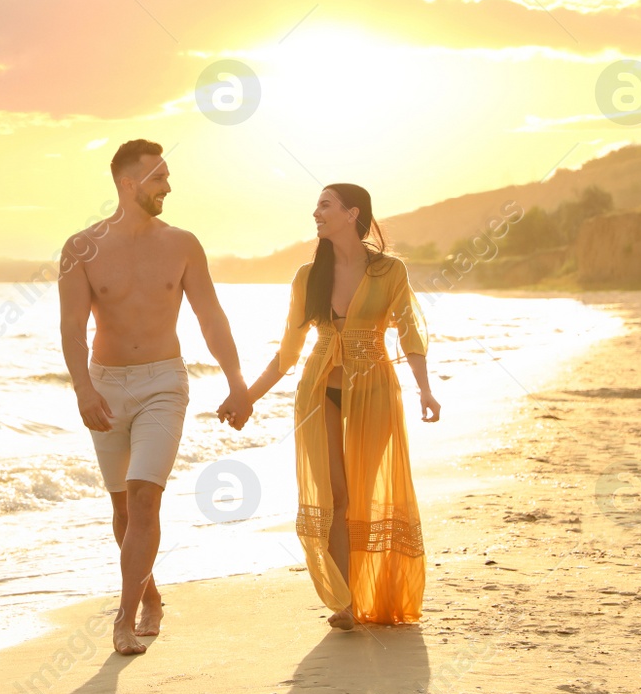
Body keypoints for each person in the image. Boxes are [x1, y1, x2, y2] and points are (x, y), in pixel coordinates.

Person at [58, 139, 252, 655]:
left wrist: (237, 381)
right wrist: (82, 389)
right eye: (159, 177)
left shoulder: (183, 244)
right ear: (128, 184)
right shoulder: (81, 248)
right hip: (105, 384)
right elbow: (72, 326)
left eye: (167, 176)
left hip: (164, 383)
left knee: (145, 497)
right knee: (122, 508)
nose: (169, 186)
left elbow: (211, 316)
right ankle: (151, 596)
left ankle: (123, 618)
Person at [225, 183, 441, 629]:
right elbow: (287, 354)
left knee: (363, 495)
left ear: (351, 213)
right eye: (317, 206)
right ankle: (344, 602)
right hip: (320, 389)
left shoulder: (389, 271)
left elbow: (410, 333)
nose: (316, 213)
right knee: (337, 495)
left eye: (325, 205)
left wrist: (425, 388)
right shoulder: (308, 276)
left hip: (375, 389)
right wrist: (246, 397)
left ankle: (370, 594)